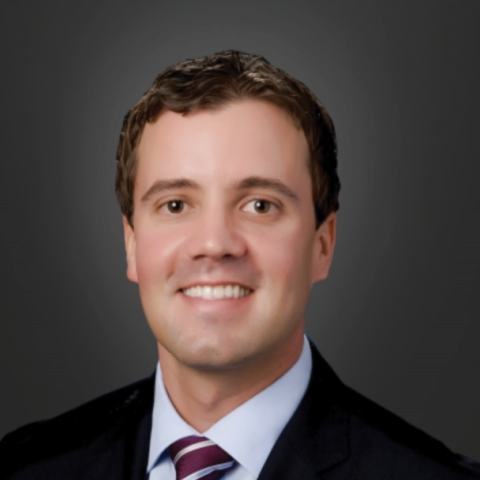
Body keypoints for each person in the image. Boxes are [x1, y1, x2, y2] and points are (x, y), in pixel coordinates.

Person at [1, 50, 479, 480]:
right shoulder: (26, 467)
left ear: (323, 245)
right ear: (131, 244)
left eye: (260, 205)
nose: (214, 244)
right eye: (175, 205)